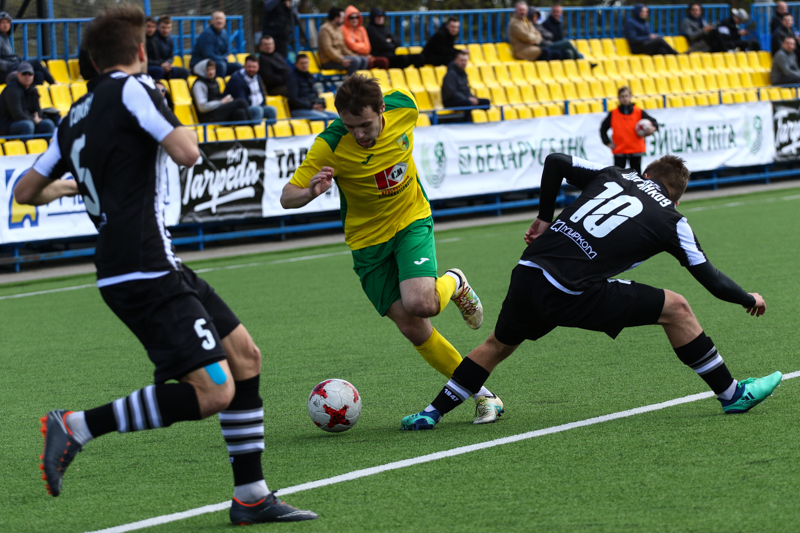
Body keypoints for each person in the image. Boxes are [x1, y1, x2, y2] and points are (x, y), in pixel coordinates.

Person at [15, 5, 317, 525]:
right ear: (140, 51)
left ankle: (251, 496)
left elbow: (24, 190)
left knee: (244, 357)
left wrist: (68, 186)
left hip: (145, 263)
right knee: (214, 391)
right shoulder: (136, 89)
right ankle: (77, 425)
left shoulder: (74, 114)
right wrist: (163, 110)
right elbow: (187, 152)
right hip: (143, 266)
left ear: (93, 60)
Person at [401, 152, 782, 430]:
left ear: (646, 173)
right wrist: (749, 298)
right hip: (571, 290)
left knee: (498, 345)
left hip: (529, 272)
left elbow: (556, 161)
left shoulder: (615, 173)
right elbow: (711, 278)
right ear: (677, 198)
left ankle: (431, 413)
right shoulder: (672, 218)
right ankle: (732, 394)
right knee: (677, 308)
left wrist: (544, 217)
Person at [281, 75, 504, 424]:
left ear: (382, 109)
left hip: (410, 219)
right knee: (413, 327)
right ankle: (484, 395)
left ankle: (454, 282)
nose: (358, 134)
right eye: (350, 126)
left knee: (423, 304)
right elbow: (287, 197)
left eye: (365, 125)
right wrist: (310, 191)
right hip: (367, 242)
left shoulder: (405, 106)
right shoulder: (330, 144)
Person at [599, 86, 658, 175]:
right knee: (618, 176)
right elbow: (603, 129)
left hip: (635, 150)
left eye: (626, 96)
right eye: (622, 96)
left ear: (630, 97)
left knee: (636, 176)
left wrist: (653, 128)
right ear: (619, 98)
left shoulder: (638, 112)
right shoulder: (614, 113)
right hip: (620, 151)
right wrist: (607, 142)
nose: (624, 98)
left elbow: (654, 122)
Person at [0, 62, 55, 136]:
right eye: (24, 74)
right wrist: (33, 120)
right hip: (7, 125)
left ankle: (46, 144)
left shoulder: (33, 89)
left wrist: (36, 117)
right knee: (28, 125)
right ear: (18, 74)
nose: (27, 76)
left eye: (30, 74)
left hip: (27, 120)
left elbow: (37, 110)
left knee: (48, 124)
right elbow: (17, 115)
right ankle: (25, 143)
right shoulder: (12, 90)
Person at [0, 12, 54, 85]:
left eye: (7, 22)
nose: (5, 25)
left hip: (10, 68)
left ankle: (36, 92)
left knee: (39, 74)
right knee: (35, 62)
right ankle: (53, 82)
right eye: (2, 22)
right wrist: (11, 64)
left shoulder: (5, 37)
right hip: (4, 73)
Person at [191, 59, 251, 124]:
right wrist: (221, 102)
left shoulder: (214, 81)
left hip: (217, 111)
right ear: (202, 71)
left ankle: (248, 129)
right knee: (241, 102)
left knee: (240, 113)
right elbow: (202, 107)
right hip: (208, 116)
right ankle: (253, 126)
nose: (211, 72)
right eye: (208, 70)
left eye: (213, 69)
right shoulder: (199, 84)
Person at [225, 55, 278, 122]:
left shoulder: (258, 77)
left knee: (272, 110)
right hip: (241, 109)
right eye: (249, 67)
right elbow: (242, 101)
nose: (252, 69)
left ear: (258, 67)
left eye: (254, 67)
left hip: (257, 106)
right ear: (244, 66)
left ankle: (270, 128)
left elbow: (262, 94)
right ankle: (255, 128)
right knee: (258, 110)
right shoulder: (236, 79)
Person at [189, 11, 242, 78]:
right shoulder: (207, 34)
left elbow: (227, 51)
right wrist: (223, 58)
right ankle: (218, 84)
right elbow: (208, 55)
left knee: (238, 66)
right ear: (212, 21)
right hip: (200, 64)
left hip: (219, 62)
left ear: (225, 21)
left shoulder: (224, 33)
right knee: (221, 65)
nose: (219, 21)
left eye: (221, 19)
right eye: (217, 19)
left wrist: (224, 58)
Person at [287, 53, 338, 120]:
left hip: (312, 108)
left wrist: (319, 105)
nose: (304, 65)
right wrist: (311, 106)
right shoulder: (292, 78)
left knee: (337, 117)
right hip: (298, 109)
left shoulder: (309, 76)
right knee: (324, 118)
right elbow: (294, 99)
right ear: (296, 64)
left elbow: (315, 93)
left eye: (306, 63)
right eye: (302, 63)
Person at [318, 7, 369, 75]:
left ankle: (359, 80)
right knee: (356, 61)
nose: (343, 19)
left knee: (363, 60)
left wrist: (355, 55)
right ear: (336, 18)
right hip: (329, 61)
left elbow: (343, 47)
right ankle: (349, 81)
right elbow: (328, 49)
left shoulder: (338, 29)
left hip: (339, 58)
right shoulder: (325, 30)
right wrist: (341, 60)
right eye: (342, 17)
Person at [442, 49, 490, 117]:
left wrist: (472, 98)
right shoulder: (450, 74)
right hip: (451, 101)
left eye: (465, 60)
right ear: (455, 61)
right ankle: (467, 121)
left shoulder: (463, 73)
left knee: (485, 102)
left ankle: (483, 121)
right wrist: (467, 98)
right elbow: (451, 92)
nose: (464, 63)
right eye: (461, 60)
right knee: (468, 102)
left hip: (463, 99)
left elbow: (466, 90)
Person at [341, 5, 389, 70]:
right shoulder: (343, 29)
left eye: (356, 17)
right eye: (351, 18)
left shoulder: (362, 29)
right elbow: (352, 46)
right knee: (367, 62)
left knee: (384, 61)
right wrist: (362, 48)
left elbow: (368, 47)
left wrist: (362, 50)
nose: (354, 20)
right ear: (347, 18)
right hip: (353, 56)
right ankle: (360, 77)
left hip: (365, 55)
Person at [146, 15, 189, 80]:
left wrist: (167, 64)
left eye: (168, 28)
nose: (166, 30)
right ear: (158, 27)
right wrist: (161, 64)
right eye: (163, 27)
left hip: (165, 66)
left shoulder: (170, 39)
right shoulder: (152, 38)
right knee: (159, 71)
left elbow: (171, 57)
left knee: (185, 72)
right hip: (156, 66)